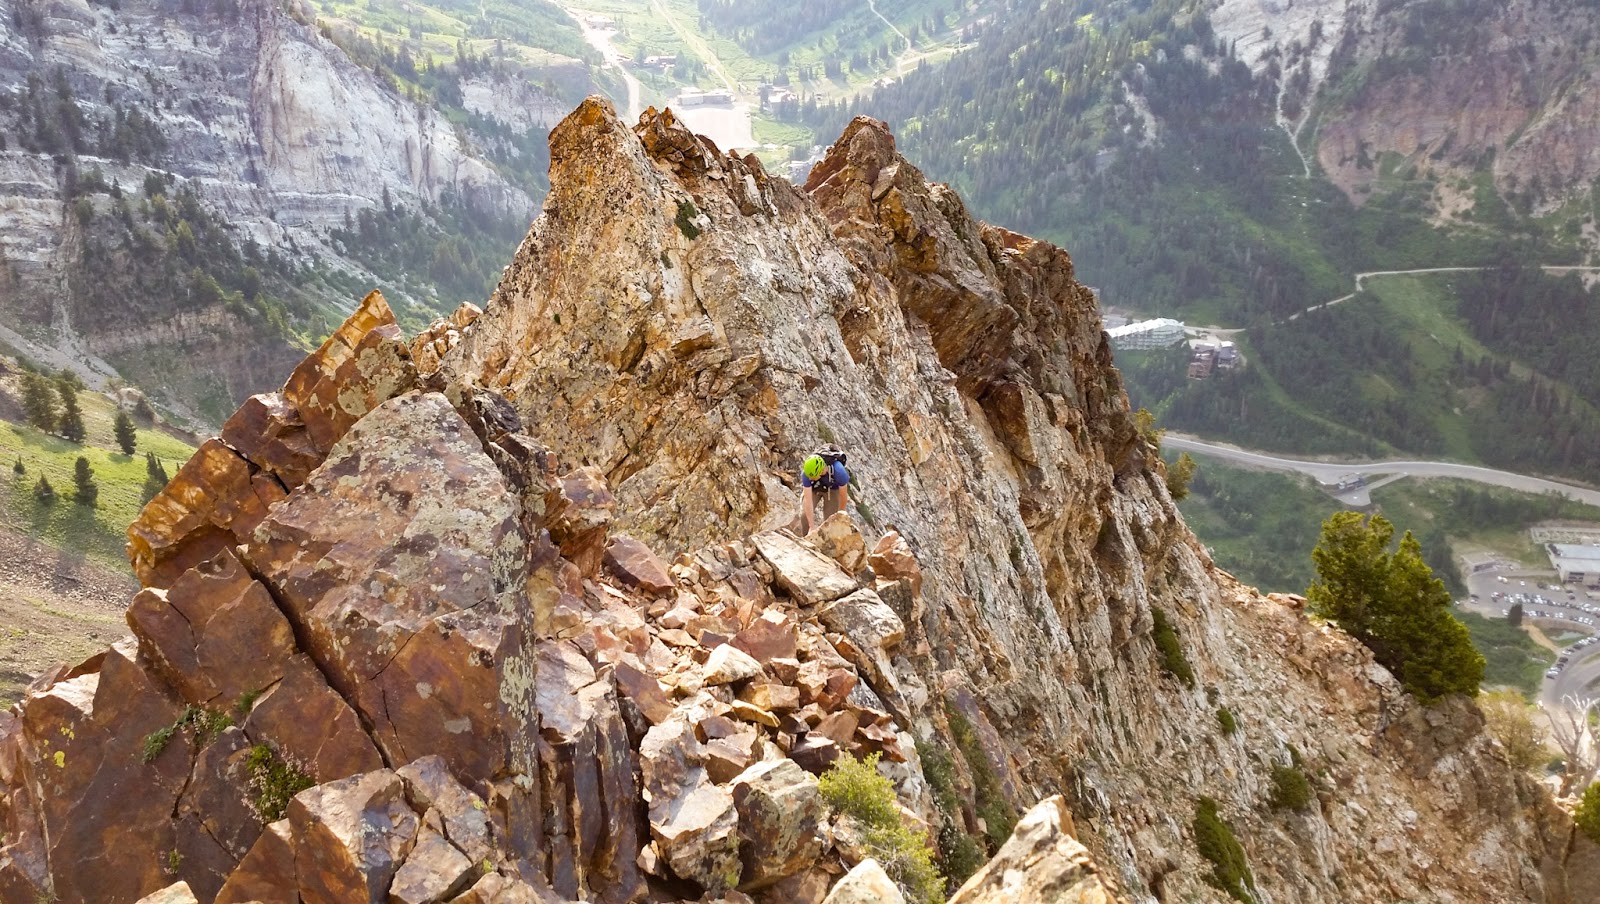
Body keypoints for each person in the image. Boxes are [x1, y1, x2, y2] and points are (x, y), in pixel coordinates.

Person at [800, 444, 850, 535]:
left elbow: (843, 495)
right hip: (816, 487)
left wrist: (841, 514)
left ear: (821, 472)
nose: (810, 479)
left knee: (831, 520)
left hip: (833, 489)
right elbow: (808, 500)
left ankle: (828, 543)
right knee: (804, 517)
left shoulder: (839, 471)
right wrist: (811, 526)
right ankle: (806, 539)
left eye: (813, 477)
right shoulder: (807, 473)